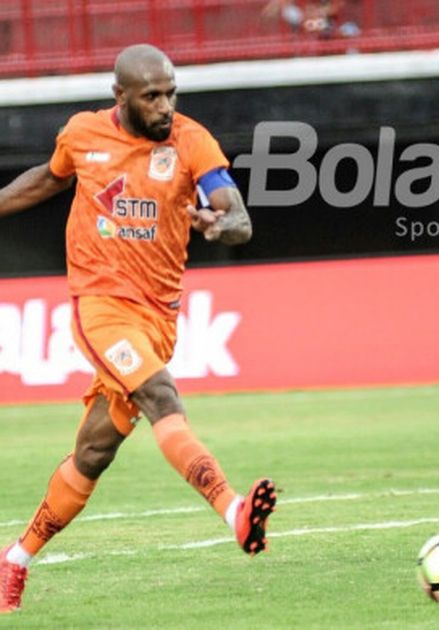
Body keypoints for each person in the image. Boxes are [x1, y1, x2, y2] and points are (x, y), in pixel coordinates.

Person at [0, 44, 276, 614]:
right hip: (101, 307)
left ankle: (15, 559)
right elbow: (47, 179)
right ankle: (234, 510)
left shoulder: (192, 143)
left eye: (171, 93)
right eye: (152, 96)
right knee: (161, 396)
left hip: (158, 319)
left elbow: (239, 217)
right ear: (120, 96)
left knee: (93, 452)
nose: (165, 106)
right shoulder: (83, 134)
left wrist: (219, 224)